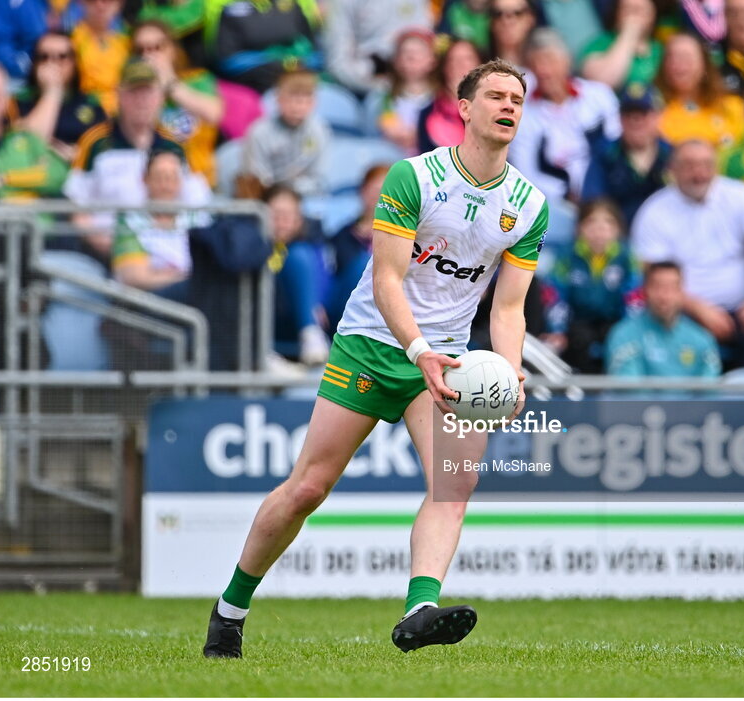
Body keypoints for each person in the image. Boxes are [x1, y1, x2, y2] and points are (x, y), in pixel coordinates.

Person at [203, 59, 549, 657]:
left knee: (454, 483)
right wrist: (418, 351)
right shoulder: (413, 177)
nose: (509, 106)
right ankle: (229, 611)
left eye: (517, 98)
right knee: (308, 488)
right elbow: (387, 280)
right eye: (495, 95)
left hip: (447, 359)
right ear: (463, 108)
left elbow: (509, 307)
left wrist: (511, 367)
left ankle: (420, 609)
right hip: (373, 342)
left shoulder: (529, 203)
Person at [630, 139, 744, 368]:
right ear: (673, 169)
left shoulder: (738, 195)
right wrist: (700, 310)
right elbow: (654, 277)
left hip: (742, 309)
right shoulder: (654, 211)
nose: (699, 173)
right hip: (681, 311)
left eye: (706, 165)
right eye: (690, 166)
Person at [65, 58, 210, 250]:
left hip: (169, 251)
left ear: (160, 96)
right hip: (107, 249)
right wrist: (115, 248)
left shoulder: (175, 146)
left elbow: (198, 205)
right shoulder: (95, 143)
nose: (141, 100)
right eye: (134, 91)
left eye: (148, 91)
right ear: (119, 95)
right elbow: (78, 208)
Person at [509, 28, 621, 201]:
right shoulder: (523, 115)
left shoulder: (599, 95)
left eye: (549, 61)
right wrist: (565, 195)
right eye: (535, 64)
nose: (542, 70)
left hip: (607, 190)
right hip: (557, 202)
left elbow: (618, 145)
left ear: (566, 62)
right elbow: (527, 174)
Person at [548, 198, 639, 372]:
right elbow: (556, 294)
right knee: (579, 339)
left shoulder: (627, 257)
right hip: (577, 323)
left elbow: (634, 297)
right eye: (591, 223)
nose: (599, 231)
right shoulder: (567, 256)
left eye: (607, 224)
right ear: (579, 228)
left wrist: (630, 330)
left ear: (618, 229)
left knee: (616, 338)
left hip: (614, 322)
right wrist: (557, 329)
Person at [131, 20, 223, 187]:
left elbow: (214, 114)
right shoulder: (133, 93)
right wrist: (152, 89)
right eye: (140, 50)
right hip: (153, 186)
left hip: (199, 181)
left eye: (157, 47)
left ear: (172, 49)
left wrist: (170, 85)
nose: (148, 55)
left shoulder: (199, 79)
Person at [111, 149, 206, 299]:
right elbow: (135, 277)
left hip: (194, 297)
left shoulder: (198, 220)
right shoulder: (130, 221)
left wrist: (159, 274)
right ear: (145, 179)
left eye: (172, 178)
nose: (166, 186)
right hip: (148, 301)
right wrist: (185, 276)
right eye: (159, 178)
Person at [606, 260, 722, 377]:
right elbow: (628, 390)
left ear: (682, 293)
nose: (664, 296)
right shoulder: (624, 336)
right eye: (657, 287)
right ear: (644, 290)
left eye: (672, 288)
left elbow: (710, 390)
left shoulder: (702, 340)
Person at [0, 62, 69, 200]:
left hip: (30, 219)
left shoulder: (24, 140)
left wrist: (7, 179)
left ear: (5, 101)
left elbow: (58, 176)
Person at [582, 82, 671, 227]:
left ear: (657, 116)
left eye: (643, 114)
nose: (635, 120)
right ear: (620, 118)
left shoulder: (673, 157)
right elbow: (593, 205)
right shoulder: (605, 155)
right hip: (619, 240)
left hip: (667, 235)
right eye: (628, 114)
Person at [11, 31, 108, 163]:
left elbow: (102, 152)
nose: (52, 63)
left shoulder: (91, 104)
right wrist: (52, 91)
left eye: (62, 57)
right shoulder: (17, 102)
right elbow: (25, 147)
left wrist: (78, 155)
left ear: (74, 63)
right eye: (44, 57)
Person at [264, 184, 332, 365]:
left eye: (288, 216)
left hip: (309, 317)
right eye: (275, 215)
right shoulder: (254, 245)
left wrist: (317, 302)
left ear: (299, 220)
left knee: (299, 255)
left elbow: (323, 277)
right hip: (272, 319)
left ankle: (311, 335)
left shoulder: (309, 247)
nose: (282, 222)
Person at [239, 69, 331, 200]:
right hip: (266, 198)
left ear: (313, 102)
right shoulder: (259, 132)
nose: (297, 107)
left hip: (304, 198)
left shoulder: (320, 130)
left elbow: (318, 177)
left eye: (305, 100)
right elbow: (257, 179)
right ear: (278, 99)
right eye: (291, 99)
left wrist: (295, 189)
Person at [203, 0, 321, 93]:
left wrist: (295, 62)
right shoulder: (231, 11)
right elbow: (226, 62)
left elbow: (316, 56)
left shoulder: (292, 7)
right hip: (250, 87)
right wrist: (271, 59)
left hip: (295, 83)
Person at [655, 32, 744, 150]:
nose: (678, 65)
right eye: (671, 57)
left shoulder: (733, 107)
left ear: (704, 64)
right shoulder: (655, 111)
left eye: (686, 57)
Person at [327, 164, 390, 330]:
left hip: (387, 309)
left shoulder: (405, 237)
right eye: (375, 190)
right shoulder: (342, 235)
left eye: (386, 191)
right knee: (366, 264)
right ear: (362, 191)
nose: (379, 196)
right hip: (346, 306)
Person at [322, 0, 431, 96]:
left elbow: (423, 43)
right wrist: (381, 86)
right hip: (363, 85)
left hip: (410, 85)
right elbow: (338, 65)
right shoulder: (342, 3)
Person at [375, 28, 438, 157]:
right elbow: (388, 124)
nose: (410, 57)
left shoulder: (438, 97)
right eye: (404, 52)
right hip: (394, 156)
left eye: (417, 52)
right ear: (396, 61)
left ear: (432, 60)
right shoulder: (387, 96)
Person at [417, 38, 483, 152]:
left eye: (467, 58)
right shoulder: (429, 113)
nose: (460, 65)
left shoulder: (493, 107)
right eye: (453, 59)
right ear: (445, 68)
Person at [579, 0, 662, 91]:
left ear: (652, 15)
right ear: (617, 13)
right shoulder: (600, 43)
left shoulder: (659, 49)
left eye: (639, 10)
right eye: (627, 9)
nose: (633, 15)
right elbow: (600, 84)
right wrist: (629, 33)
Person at [71, 0, 131, 116]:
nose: (99, 5)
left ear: (119, 5)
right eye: (91, 1)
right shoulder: (70, 41)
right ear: (81, 4)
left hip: (121, 113)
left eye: (107, 1)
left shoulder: (126, 43)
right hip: (83, 110)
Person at [488, 0, 538, 73]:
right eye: (498, 14)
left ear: (530, 19)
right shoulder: (477, 66)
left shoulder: (543, 68)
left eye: (517, 13)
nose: (507, 21)